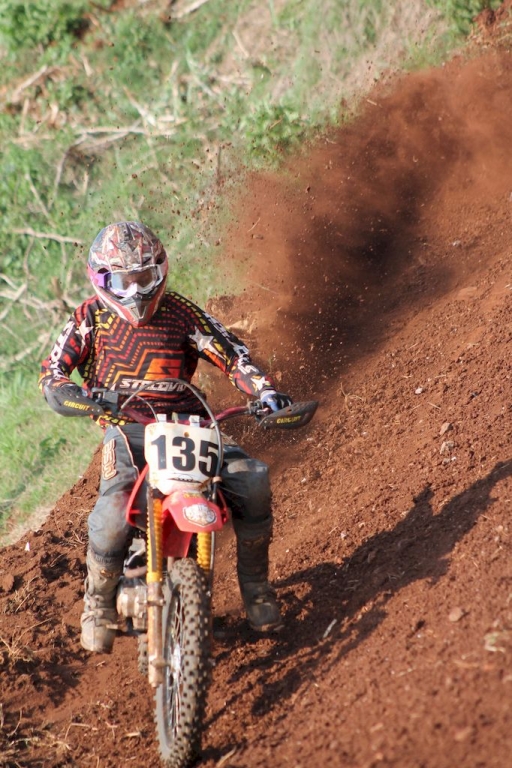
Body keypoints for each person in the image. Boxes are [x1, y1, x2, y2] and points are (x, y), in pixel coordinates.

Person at [39, 221, 293, 653]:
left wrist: (266, 392)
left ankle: (256, 587)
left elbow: (231, 355)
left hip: (192, 424)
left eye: (145, 278)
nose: (136, 291)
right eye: (125, 280)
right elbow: (53, 375)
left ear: (161, 271)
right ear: (102, 280)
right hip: (128, 428)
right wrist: (82, 400)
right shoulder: (89, 319)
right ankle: (98, 603)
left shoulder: (181, 313)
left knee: (252, 480)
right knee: (112, 512)